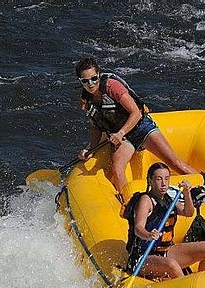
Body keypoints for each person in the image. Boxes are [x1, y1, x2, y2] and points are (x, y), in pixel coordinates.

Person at [75, 57, 197, 193]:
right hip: (126, 139)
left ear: (98, 74)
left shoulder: (112, 86)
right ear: (80, 81)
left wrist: (120, 133)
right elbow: (95, 126)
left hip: (142, 128)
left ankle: (204, 187)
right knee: (117, 168)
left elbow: (136, 113)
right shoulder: (86, 99)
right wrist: (91, 149)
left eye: (94, 78)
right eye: (85, 81)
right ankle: (130, 203)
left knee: (176, 164)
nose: (90, 84)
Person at [126, 162, 205, 279]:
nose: (164, 183)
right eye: (159, 179)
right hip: (142, 257)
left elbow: (188, 212)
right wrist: (149, 234)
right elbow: (138, 228)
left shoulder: (168, 199)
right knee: (172, 265)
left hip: (164, 251)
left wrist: (187, 193)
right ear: (150, 180)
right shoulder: (146, 200)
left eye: (166, 178)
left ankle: (200, 284)